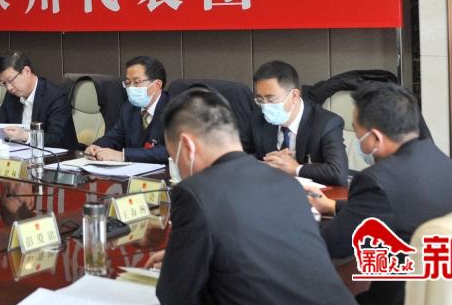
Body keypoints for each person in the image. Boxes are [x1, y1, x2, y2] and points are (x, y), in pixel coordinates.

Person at [146, 88, 355, 305]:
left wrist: (179, 267)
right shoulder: (288, 183)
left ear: (187, 146)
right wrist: (186, 257)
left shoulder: (194, 193)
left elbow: (175, 296)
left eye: (174, 157)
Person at [307, 82, 452, 305]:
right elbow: (400, 209)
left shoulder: (376, 180)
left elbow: (331, 245)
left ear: (375, 138)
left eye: (356, 132)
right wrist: (334, 206)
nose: (356, 140)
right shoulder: (438, 158)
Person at [243, 60, 348, 186]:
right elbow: (238, 158)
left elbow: (338, 173)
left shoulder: (326, 123)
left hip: (314, 194)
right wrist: (265, 164)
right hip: (270, 189)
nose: (265, 107)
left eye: (271, 99)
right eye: (260, 100)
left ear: (294, 95)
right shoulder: (257, 118)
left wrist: (296, 168)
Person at [0, 51, 78, 150]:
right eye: (4, 83)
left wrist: (25, 136)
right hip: (19, 157)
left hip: (57, 160)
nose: (9, 88)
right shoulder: (12, 96)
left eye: (11, 80)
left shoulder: (56, 96)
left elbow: (58, 139)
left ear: (26, 71)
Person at [84, 55, 169, 163]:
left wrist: (122, 155)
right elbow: (114, 137)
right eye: (128, 83)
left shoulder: (175, 111)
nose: (131, 88)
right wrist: (95, 147)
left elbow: (171, 151)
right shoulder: (128, 108)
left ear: (157, 85)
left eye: (136, 82)